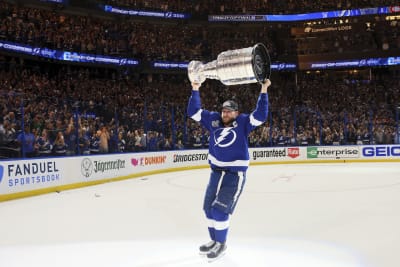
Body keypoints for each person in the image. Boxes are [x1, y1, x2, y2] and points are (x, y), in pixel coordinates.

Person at [187, 78, 271, 261]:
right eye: (224, 110)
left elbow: (261, 115)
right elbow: (193, 111)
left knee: (220, 211)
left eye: (229, 111)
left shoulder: (243, 122)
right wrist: (195, 88)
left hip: (234, 174)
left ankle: (222, 245)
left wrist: (264, 90)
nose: (225, 113)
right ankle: (214, 241)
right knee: (208, 209)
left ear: (236, 113)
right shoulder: (213, 120)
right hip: (216, 171)